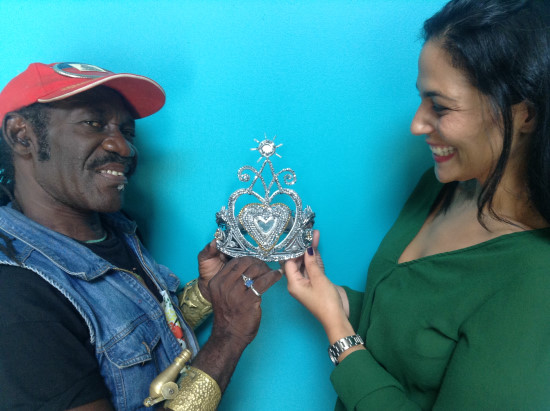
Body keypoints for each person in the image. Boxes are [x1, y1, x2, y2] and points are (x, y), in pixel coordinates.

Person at [284, 0, 550, 409]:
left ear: (524, 115)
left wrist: (338, 332)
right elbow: (418, 331)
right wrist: (334, 299)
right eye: (421, 100)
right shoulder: (440, 185)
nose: (417, 124)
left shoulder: (535, 281)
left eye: (440, 106)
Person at [0, 62, 282, 410]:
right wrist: (229, 336)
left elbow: (132, 332)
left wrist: (207, 294)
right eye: (94, 123)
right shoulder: (16, 298)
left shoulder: (118, 228)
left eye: (127, 131)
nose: (123, 147)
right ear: (21, 135)